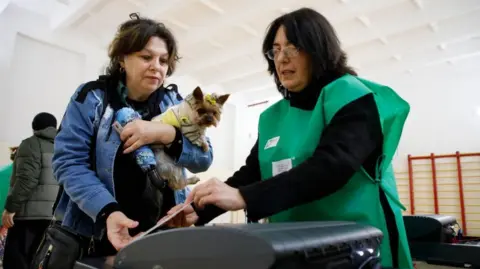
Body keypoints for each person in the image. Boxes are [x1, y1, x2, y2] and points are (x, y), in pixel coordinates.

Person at [167, 7, 413, 269]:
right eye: (276, 50)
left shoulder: (352, 96)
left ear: (318, 49)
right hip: (298, 246)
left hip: (358, 244)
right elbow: (254, 172)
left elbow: (331, 166)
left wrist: (245, 196)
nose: (281, 59)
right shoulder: (274, 116)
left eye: (293, 48)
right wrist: (202, 209)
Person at [32, 13, 213, 266]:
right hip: (95, 235)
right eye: (146, 57)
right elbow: (68, 163)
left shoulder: (175, 103)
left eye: (163, 60)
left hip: (159, 235)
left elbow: (204, 158)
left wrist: (165, 134)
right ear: (122, 59)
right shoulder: (92, 98)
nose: (157, 66)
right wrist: (108, 211)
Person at [2, 112, 59, 269]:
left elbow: (27, 180)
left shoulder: (31, 144)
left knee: (16, 262)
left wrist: (11, 208)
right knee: (34, 262)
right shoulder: (62, 147)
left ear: (34, 127)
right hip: (52, 217)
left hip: (28, 216)